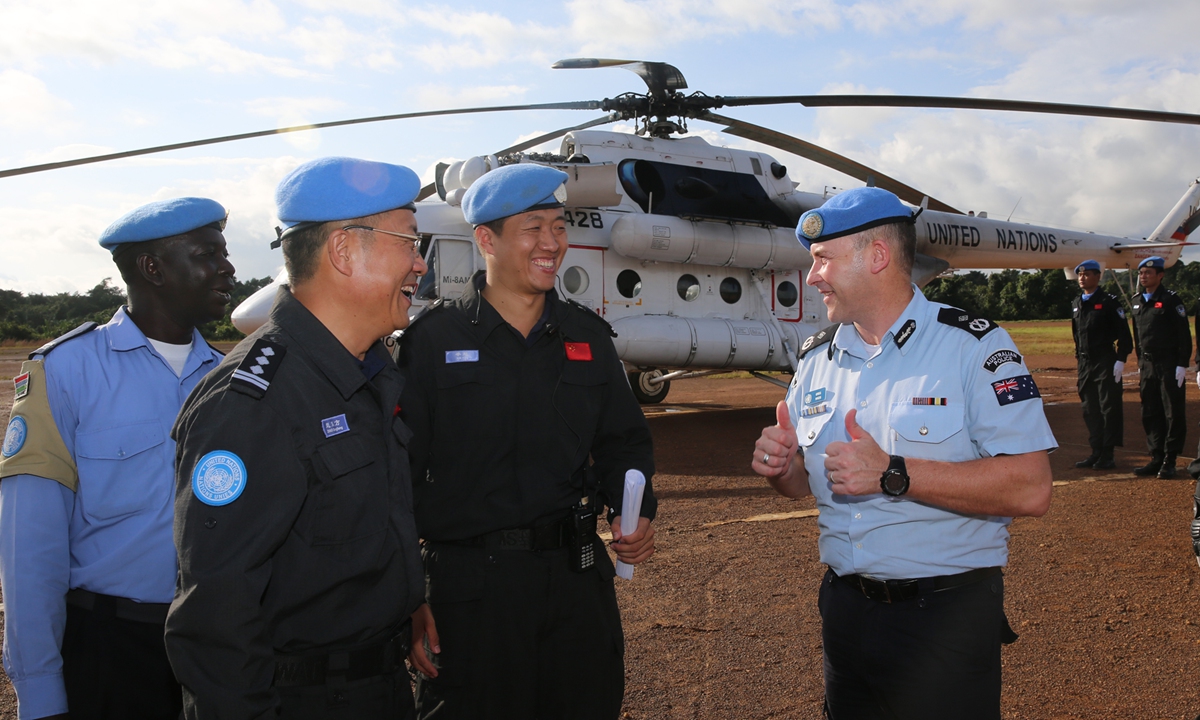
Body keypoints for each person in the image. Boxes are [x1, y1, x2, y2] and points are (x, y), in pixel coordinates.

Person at [752, 187, 1056, 720]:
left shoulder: (975, 347)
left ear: (877, 257)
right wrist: (783, 468)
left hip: (943, 619)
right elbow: (806, 482)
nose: (812, 276)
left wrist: (893, 473)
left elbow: (1031, 487)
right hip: (845, 612)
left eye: (823, 259)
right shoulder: (816, 359)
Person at [165, 157, 428, 719]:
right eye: (409, 241)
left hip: (378, 688)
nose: (421, 263)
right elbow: (215, 622)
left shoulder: (368, 373)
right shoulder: (251, 404)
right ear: (342, 251)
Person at [395, 163, 657, 720]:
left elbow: (624, 441)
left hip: (574, 584)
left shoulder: (588, 336)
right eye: (533, 227)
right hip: (469, 593)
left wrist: (637, 510)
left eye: (559, 227)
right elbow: (397, 475)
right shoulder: (432, 342)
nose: (552, 243)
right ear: (485, 240)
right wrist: (409, 595)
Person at [0, 197, 234, 720]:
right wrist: (39, 690)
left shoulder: (229, 378)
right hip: (111, 650)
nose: (228, 266)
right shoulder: (65, 372)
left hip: (216, 649)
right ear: (152, 269)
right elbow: (29, 548)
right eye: (207, 253)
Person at [1129, 256, 1191, 479]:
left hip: (1168, 364)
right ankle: (1156, 456)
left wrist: (1182, 364)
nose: (1143, 276)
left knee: (1172, 412)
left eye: (1148, 272)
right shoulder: (1137, 301)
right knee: (1150, 411)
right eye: (1141, 273)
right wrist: (1140, 361)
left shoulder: (1171, 300)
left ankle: (1170, 459)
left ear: (1160, 275)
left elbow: (1183, 335)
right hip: (1147, 365)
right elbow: (1137, 336)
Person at [1070, 259, 1132, 470]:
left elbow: (1124, 335)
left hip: (1105, 361)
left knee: (1108, 408)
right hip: (1085, 363)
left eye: (1087, 274)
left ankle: (1108, 454)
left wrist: (1120, 359)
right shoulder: (1077, 303)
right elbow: (1077, 335)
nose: (1082, 278)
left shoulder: (1109, 302)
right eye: (1080, 274)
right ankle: (1096, 451)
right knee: (1090, 408)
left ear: (1098, 277)